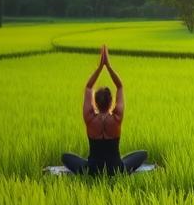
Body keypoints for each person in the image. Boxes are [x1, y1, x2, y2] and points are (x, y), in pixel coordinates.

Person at [61, 45, 147, 176]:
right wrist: (109, 66)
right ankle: (118, 162)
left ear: (95, 102)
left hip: (91, 169)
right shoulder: (117, 118)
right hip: (117, 169)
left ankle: (92, 165)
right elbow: (120, 86)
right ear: (111, 101)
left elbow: (89, 87)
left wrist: (100, 68)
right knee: (142, 154)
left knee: (65, 157)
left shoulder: (89, 118)